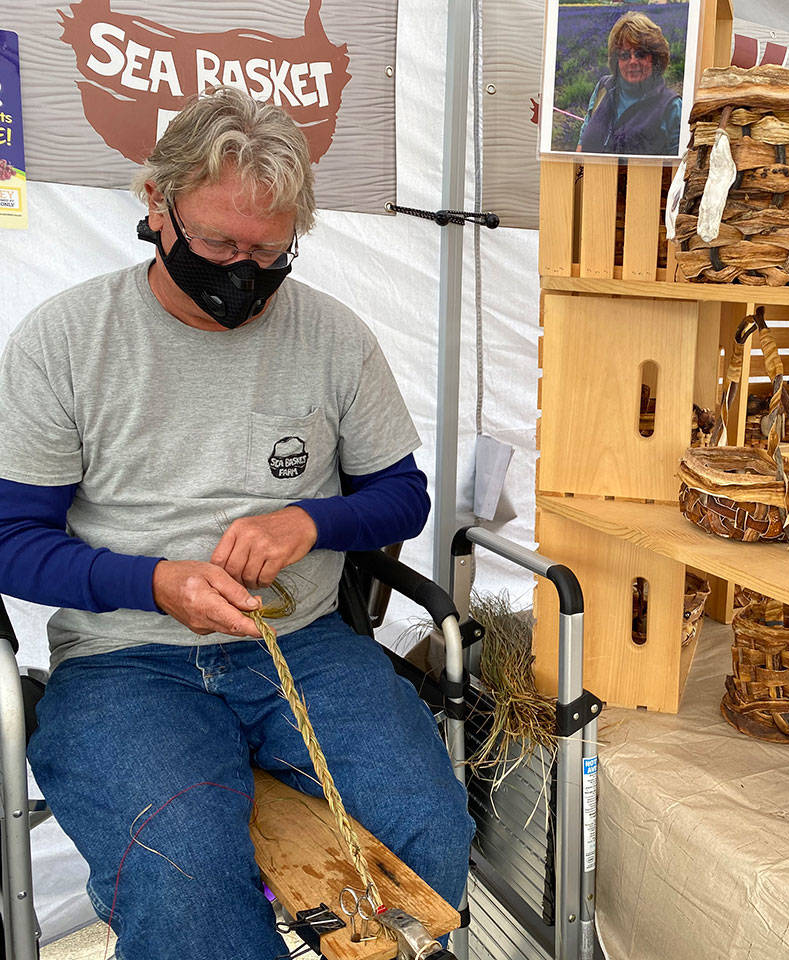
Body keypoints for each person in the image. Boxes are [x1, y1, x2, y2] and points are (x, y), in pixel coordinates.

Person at [0, 86, 473, 959]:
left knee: (426, 826)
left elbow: (402, 494)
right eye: (218, 242)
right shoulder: (65, 341)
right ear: (156, 204)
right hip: (124, 663)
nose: (242, 272)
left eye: (269, 249)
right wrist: (155, 582)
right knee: (184, 876)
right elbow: (11, 540)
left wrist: (312, 519)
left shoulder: (332, 336)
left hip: (307, 647)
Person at [577, 12, 682, 156]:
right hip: (593, 177)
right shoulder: (603, 88)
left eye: (641, 54)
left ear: (655, 57)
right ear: (617, 59)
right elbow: (581, 145)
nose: (632, 61)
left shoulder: (671, 106)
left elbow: (678, 169)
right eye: (625, 55)